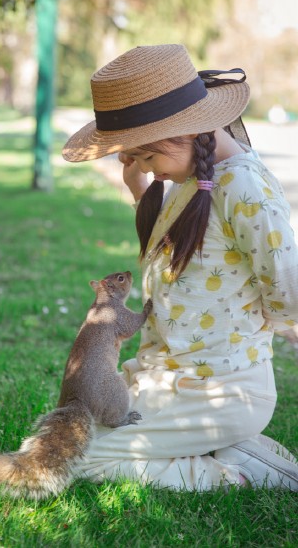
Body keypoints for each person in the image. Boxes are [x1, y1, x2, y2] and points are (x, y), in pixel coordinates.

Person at [62, 44, 298, 490]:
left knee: (81, 460)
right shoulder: (196, 181)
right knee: (63, 440)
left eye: (148, 157)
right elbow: (182, 265)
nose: (149, 170)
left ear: (188, 132)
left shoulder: (244, 188)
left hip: (222, 390)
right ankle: (214, 445)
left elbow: (288, 290)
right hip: (169, 377)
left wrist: (245, 328)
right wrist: (139, 188)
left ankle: (240, 471)